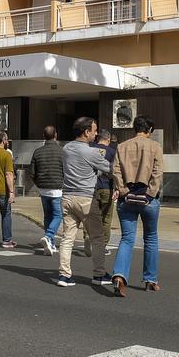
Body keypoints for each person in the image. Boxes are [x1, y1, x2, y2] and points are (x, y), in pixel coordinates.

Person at [111, 115, 165, 296]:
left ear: (135, 128)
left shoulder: (121, 146)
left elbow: (115, 171)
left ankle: (119, 275)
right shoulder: (155, 147)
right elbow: (157, 173)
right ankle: (151, 280)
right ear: (149, 130)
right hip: (148, 199)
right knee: (150, 237)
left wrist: (124, 190)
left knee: (127, 238)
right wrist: (150, 193)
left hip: (127, 198)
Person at [57, 117, 112, 287]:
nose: (96, 134)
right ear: (86, 132)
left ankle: (64, 275)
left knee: (67, 238)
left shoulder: (66, 148)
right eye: (94, 130)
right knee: (97, 238)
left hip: (67, 197)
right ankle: (99, 274)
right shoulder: (91, 152)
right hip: (86, 198)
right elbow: (109, 169)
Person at [29, 126, 63, 255]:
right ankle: (49, 236)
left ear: (43, 136)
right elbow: (66, 170)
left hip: (43, 189)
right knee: (58, 215)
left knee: (48, 215)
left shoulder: (37, 152)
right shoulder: (61, 152)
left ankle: (51, 244)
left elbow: (31, 173)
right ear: (56, 135)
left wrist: (38, 184)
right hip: (57, 188)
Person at [86, 130, 118, 259]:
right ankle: (102, 245)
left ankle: (88, 237)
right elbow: (115, 170)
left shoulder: (90, 149)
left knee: (89, 215)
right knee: (106, 218)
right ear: (108, 139)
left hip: (91, 187)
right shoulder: (111, 152)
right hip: (106, 187)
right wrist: (117, 187)